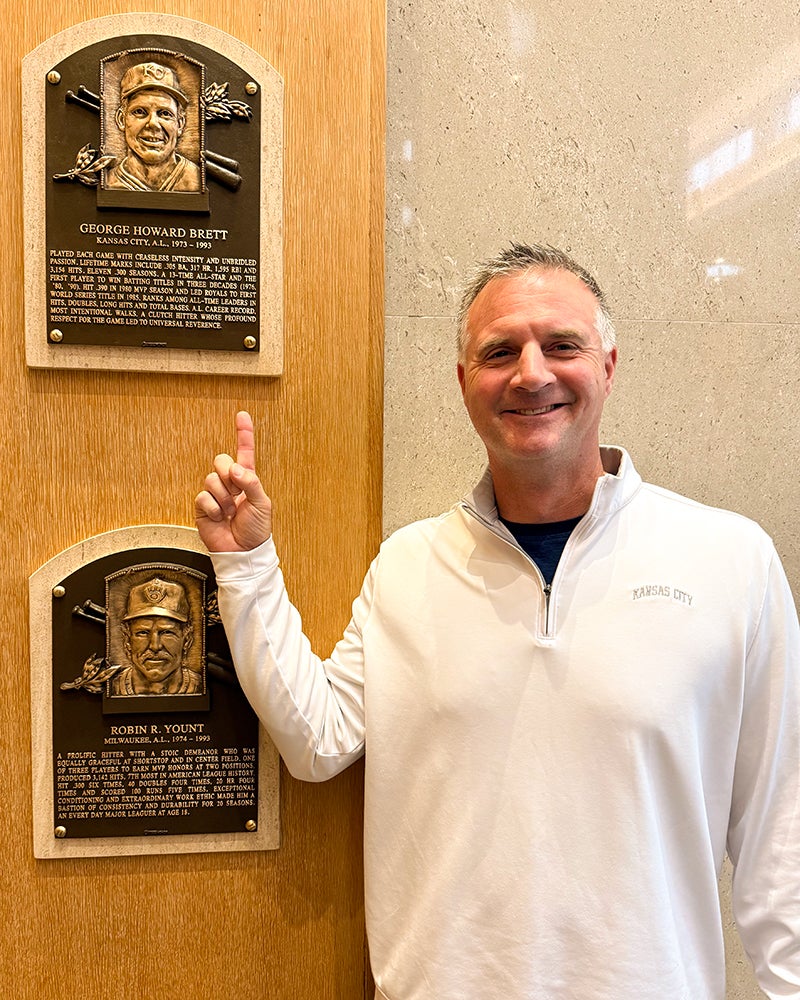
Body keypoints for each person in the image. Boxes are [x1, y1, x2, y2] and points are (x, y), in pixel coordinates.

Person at [195, 243, 800, 999]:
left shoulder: (731, 560)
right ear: (463, 383)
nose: (532, 373)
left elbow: (782, 829)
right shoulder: (409, 565)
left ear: (609, 365)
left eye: (562, 345)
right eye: (499, 351)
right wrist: (247, 566)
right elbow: (318, 741)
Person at [105, 61, 201, 193]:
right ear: (121, 119)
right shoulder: (107, 181)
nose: (153, 124)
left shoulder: (197, 180)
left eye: (165, 113)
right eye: (140, 112)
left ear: (180, 124)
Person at [110, 576, 203, 696]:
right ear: (127, 640)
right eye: (143, 633)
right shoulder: (112, 687)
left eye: (167, 632)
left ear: (187, 639)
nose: (155, 646)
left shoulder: (200, 686)